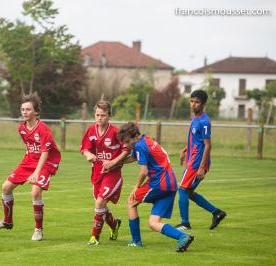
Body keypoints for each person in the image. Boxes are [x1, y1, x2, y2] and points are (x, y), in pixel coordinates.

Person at [0, 93, 61, 241]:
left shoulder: (43, 129)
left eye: (28, 109)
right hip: (29, 161)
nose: (24, 112)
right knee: (5, 187)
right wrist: (27, 160)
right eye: (22, 109)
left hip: (46, 162)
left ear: (36, 112)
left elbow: (45, 153)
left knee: (35, 192)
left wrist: (36, 172)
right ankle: (7, 221)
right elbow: (28, 145)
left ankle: (38, 230)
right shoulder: (21, 128)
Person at [117, 122, 194, 252]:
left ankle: (136, 241)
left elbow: (144, 171)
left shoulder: (140, 145)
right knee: (153, 223)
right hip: (171, 184)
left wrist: (136, 187)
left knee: (131, 202)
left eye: (127, 141)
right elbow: (133, 158)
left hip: (160, 183)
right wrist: (115, 162)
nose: (126, 145)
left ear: (134, 136)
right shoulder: (145, 140)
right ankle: (183, 236)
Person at [80, 101, 130, 245]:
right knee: (101, 205)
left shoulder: (115, 132)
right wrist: (87, 154)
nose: (99, 118)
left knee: (100, 201)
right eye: (97, 115)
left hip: (112, 174)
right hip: (97, 172)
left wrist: (114, 162)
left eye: (103, 115)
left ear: (109, 116)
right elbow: (84, 148)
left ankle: (94, 237)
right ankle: (114, 225)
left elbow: (127, 149)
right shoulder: (91, 130)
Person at [176, 90, 226, 231]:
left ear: (203, 104)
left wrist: (201, 167)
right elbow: (196, 140)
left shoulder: (204, 121)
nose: (193, 104)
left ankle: (185, 223)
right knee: (189, 193)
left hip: (197, 162)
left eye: (197, 102)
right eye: (192, 101)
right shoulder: (195, 118)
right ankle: (217, 213)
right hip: (193, 159)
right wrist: (185, 149)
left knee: (182, 190)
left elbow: (207, 145)